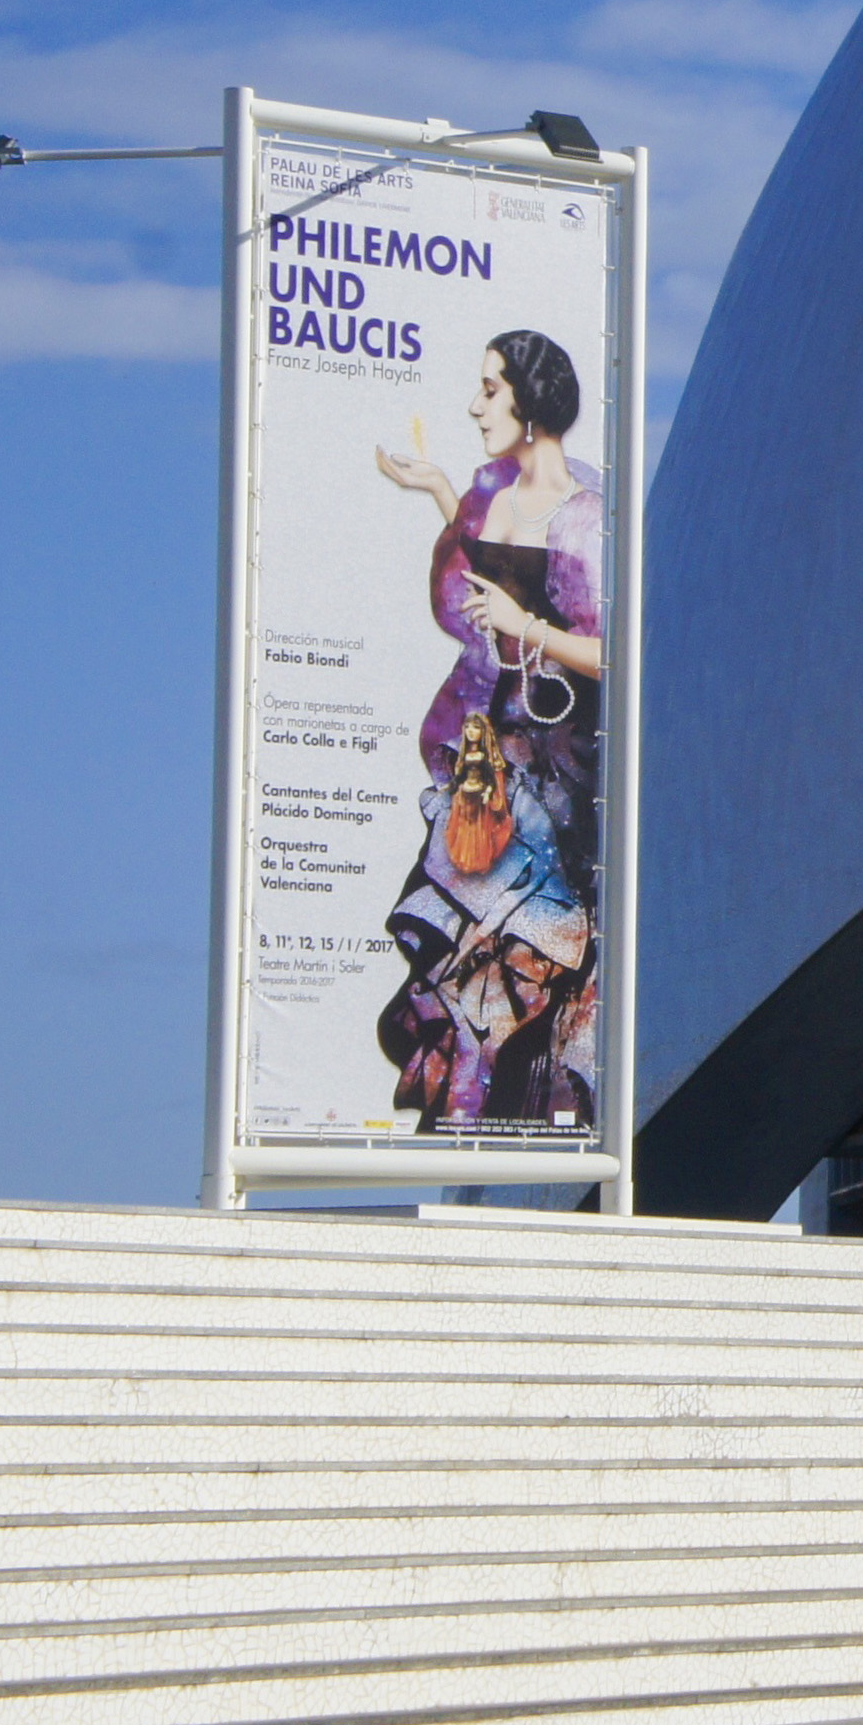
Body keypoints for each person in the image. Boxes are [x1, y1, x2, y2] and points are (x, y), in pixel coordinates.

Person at [372, 330, 607, 1132]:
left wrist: (524, 626)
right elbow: (480, 582)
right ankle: (468, 1116)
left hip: (556, 782)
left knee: (525, 960)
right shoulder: (494, 494)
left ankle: (520, 1112)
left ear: (530, 402)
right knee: (460, 960)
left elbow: (612, 655)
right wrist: (440, 490)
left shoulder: (586, 517)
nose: (476, 406)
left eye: (491, 389)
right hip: (488, 772)